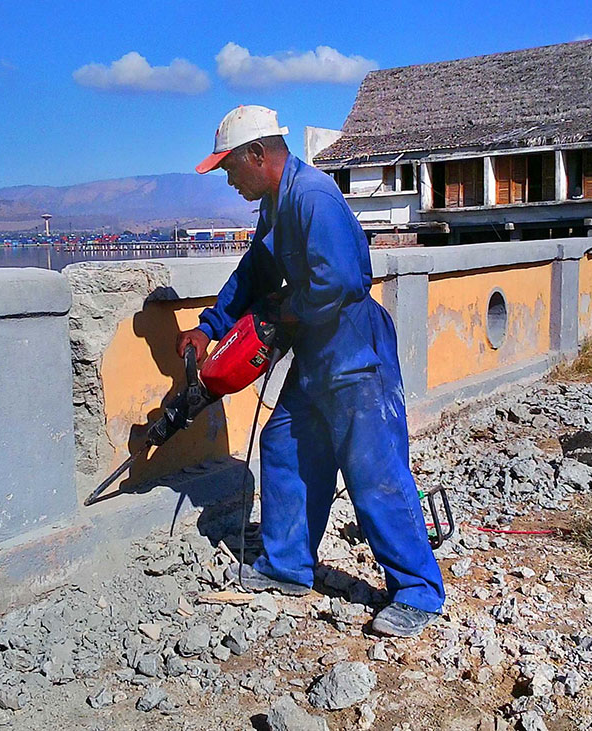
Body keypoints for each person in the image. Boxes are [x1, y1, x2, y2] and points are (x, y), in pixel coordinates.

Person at [177, 105, 445, 636]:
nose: (229, 180)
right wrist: (209, 329)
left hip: (353, 353)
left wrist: (282, 316)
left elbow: (342, 281)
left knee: (374, 470)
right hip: (317, 356)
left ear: (258, 155)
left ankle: (418, 590)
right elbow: (252, 273)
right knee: (285, 446)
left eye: (231, 168)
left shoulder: (314, 197)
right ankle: (288, 566)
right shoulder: (275, 205)